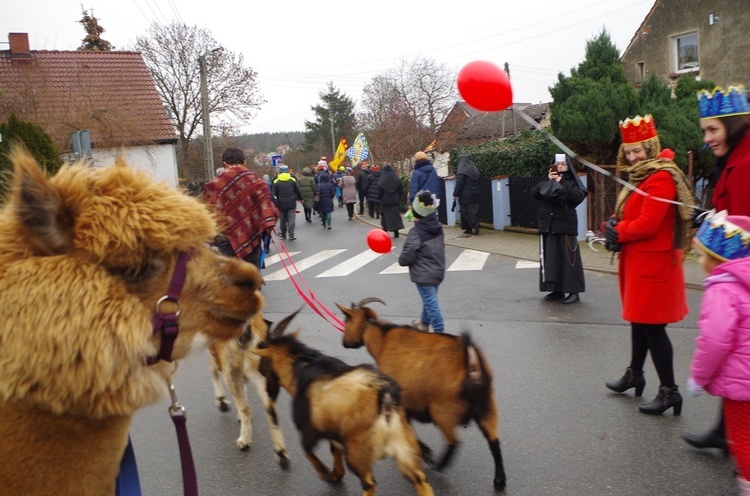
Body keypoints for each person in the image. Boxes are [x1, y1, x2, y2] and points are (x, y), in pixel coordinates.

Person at [604, 114, 695, 415]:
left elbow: (648, 224)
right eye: (628, 152)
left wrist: (620, 231)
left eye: (638, 151)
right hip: (639, 263)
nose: (632, 157)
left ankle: (670, 392)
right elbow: (630, 216)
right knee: (638, 322)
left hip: (654, 267)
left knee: (653, 328)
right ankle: (634, 375)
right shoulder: (641, 177)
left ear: (651, 148)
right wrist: (611, 225)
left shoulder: (661, 177)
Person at [684, 85, 750, 453]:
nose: (706, 138)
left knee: (737, 353)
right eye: (704, 130)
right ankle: (728, 432)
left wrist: (714, 229)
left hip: (740, 280)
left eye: (713, 130)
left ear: (733, 124)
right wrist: (712, 218)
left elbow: (742, 232)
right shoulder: (738, 157)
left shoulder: (745, 165)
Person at [688, 211, 750, 494]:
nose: (699, 262)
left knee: (743, 438)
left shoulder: (722, 290)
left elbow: (714, 342)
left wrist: (698, 377)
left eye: (703, 255)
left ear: (720, 256)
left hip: (741, 386)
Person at [203, 147, 279, 269]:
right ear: (244, 162)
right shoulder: (256, 181)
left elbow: (207, 213)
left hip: (225, 237)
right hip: (251, 237)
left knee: (230, 278)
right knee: (251, 279)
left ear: (225, 163)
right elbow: (268, 210)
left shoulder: (214, 185)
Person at [531, 153, 587, 304]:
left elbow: (577, 197)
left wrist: (561, 181)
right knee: (552, 261)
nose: (560, 167)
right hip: (549, 225)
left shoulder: (571, 182)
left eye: (563, 165)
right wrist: (549, 180)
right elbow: (535, 193)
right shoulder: (548, 178)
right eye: (557, 164)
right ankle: (557, 290)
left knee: (570, 261)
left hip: (565, 226)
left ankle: (574, 292)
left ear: (568, 166)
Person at [398, 190, 445, 334]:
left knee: (431, 303)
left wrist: (402, 260)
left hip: (424, 274)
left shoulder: (416, 232)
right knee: (429, 299)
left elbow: (408, 255)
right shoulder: (437, 228)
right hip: (438, 270)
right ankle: (424, 324)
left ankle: (440, 332)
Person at [272, 164, 303, 241]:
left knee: (283, 219)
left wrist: (274, 203)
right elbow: (298, 190)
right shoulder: (292, 180)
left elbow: (273, 194)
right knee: (292, 218)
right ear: (287, 171)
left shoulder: (276, 181)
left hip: (281, 203)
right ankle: (291, 235)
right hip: (291, 202)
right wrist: (301, 199)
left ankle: (283, 234)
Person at [453, 153, 482, 235]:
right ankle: (474, 225)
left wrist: (455, 194)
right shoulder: (474, 169)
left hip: (465, 195)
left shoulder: (462, 171)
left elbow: (459, 184)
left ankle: (470, 227)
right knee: (474, 211)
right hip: (475, 193)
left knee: (465, 212)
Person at [378, 164, 405, 238]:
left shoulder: (382, 180)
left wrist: (380, 198)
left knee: (385, 217)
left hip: (385, 201)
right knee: (395, 216)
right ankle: (396, 232)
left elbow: (379, 192)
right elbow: (400, 190)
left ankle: (385, 231)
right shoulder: (396, 179)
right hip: (395, 200)